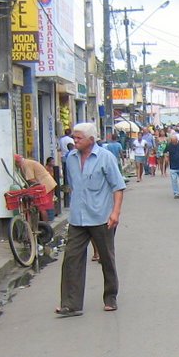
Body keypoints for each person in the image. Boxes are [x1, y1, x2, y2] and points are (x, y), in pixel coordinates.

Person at [55, 122, 126, 317]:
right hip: (78, 218)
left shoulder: (105, 158)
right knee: (71, 258)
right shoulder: (70, 158)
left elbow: (117, 187)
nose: (74, 140)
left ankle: (110, 296)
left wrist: (115, 213)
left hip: (101, 217)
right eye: (74, 137)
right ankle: (71, 303)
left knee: (106, 258)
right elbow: (74, 185)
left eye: (79, 138)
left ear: (91, 140)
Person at [14, 153, 58, 221]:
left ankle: (46, 226)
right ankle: (46, 224)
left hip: (45, 185)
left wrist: (28, 189)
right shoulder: (27, 163)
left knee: (42, 207)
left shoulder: (26, 164)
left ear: (17, 162)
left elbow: (31, 179)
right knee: (45, 206)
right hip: (47, 184)